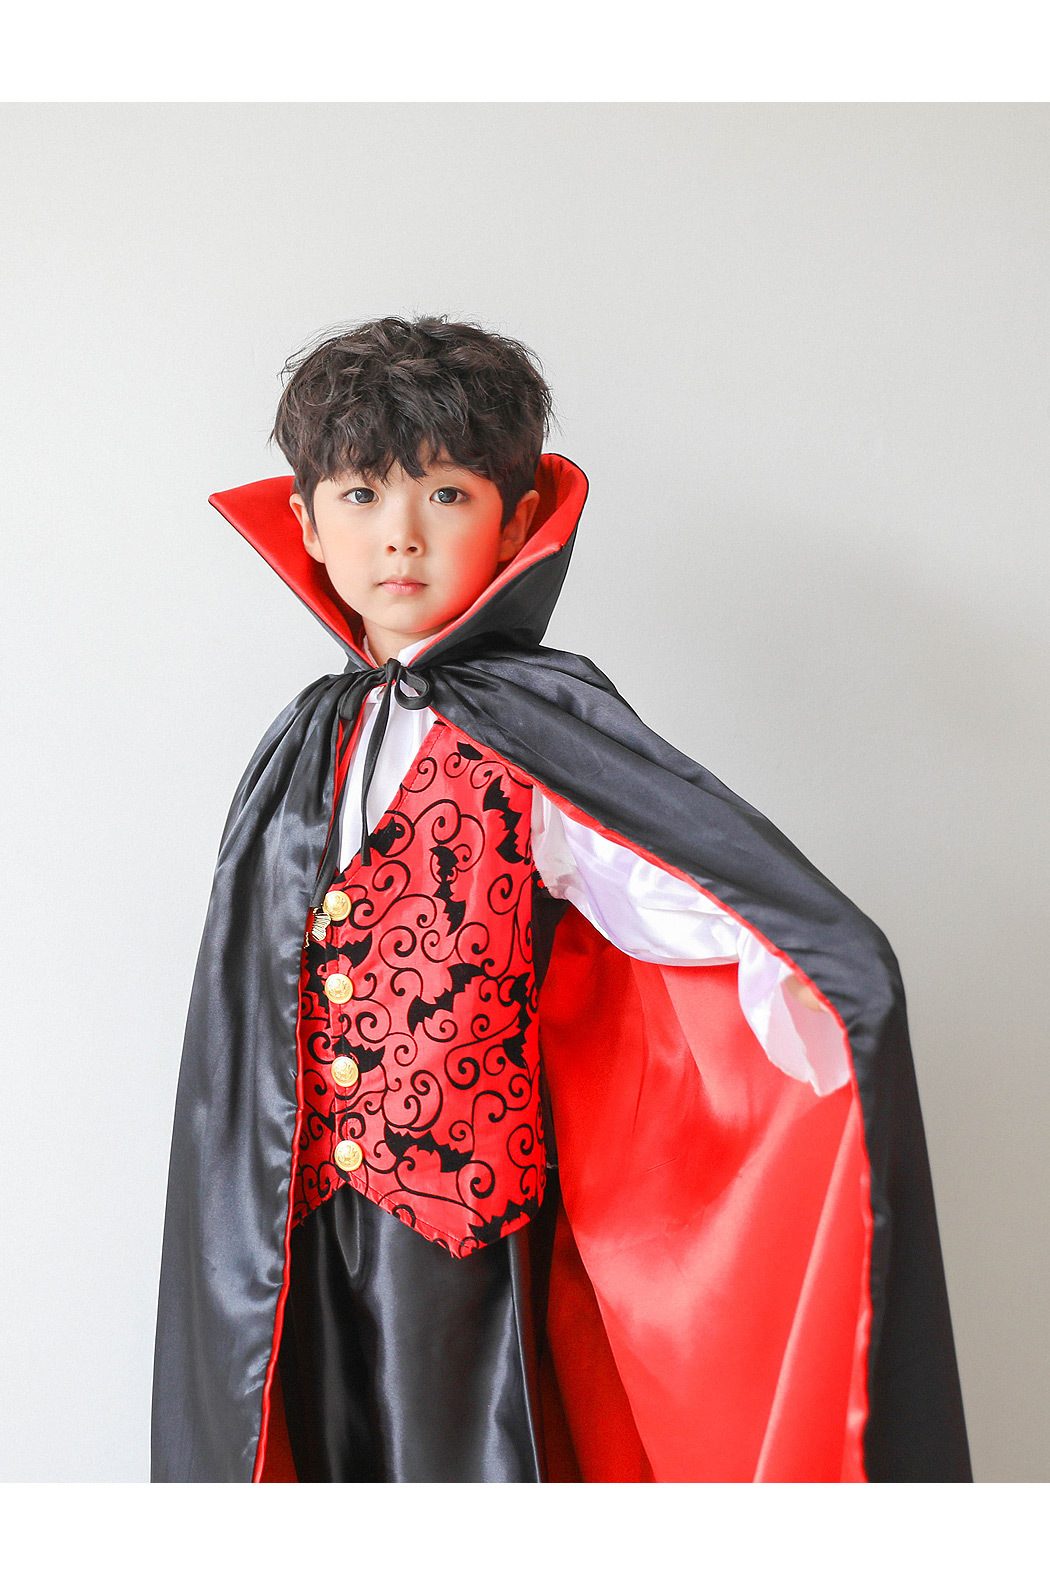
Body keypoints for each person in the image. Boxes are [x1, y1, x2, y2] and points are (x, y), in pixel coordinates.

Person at [151, 315, 971, 1483]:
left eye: (445, 494)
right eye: (363, 494)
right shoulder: (301, 743)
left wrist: (804, 978)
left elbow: (673, 881)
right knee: (315, 1466)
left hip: (461, 1219)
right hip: (289, 1205)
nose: (400, 534)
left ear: (519, 517)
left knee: (462, 1475)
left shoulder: (544, 728)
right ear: (308, 523)